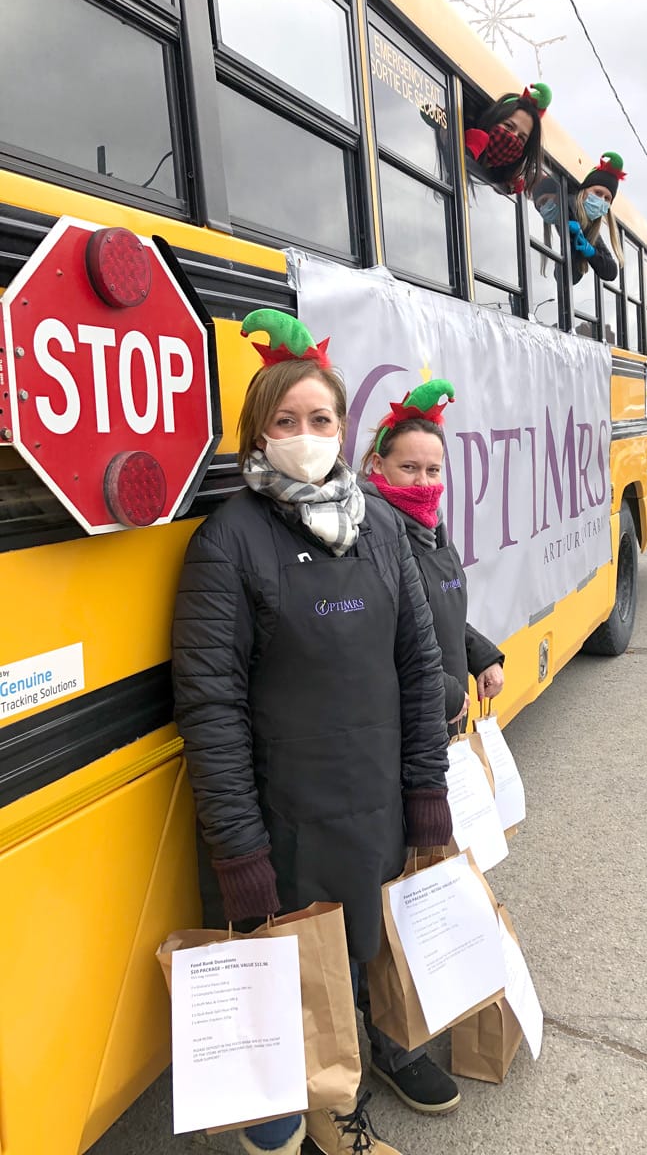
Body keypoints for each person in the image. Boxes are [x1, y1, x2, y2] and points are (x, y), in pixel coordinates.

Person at [172, 308, 453, 1155]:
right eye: (284, 422)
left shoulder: (379, 532)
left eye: (320, 419)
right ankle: (295, 1108)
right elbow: (211, 706)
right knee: (289, 975)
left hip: (370, 799)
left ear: (344, 428)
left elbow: (418, 663)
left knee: (360, 945)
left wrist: (426, 785)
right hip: (281, 817)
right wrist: (238, 849)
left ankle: (354, 1080)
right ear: (257, 434)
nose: (304, 435)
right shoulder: (229, 542)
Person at [360, 379, 506, 732]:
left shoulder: (433, 527)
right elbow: (380, 644)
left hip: (447, 713)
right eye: (409, 468)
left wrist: (481, 656)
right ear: (379, 465)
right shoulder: (369, 534)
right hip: (409, 722)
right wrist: (441, 693)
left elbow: (440, 615)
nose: (424, 483)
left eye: (433, 470)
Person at [534, 151, 627, 284]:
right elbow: (565, 278)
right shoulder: (569, 205)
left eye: (607, 199)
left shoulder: (586, 224)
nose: (601, 200)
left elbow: (610, 271)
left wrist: (588, 251)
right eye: (598, 193)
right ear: (582, 192)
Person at [463, 82, 552, 195]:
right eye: (509, 126)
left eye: (521, 138)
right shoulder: (464, 138)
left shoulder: (503, 188)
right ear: (494, 119)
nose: (513, 136)